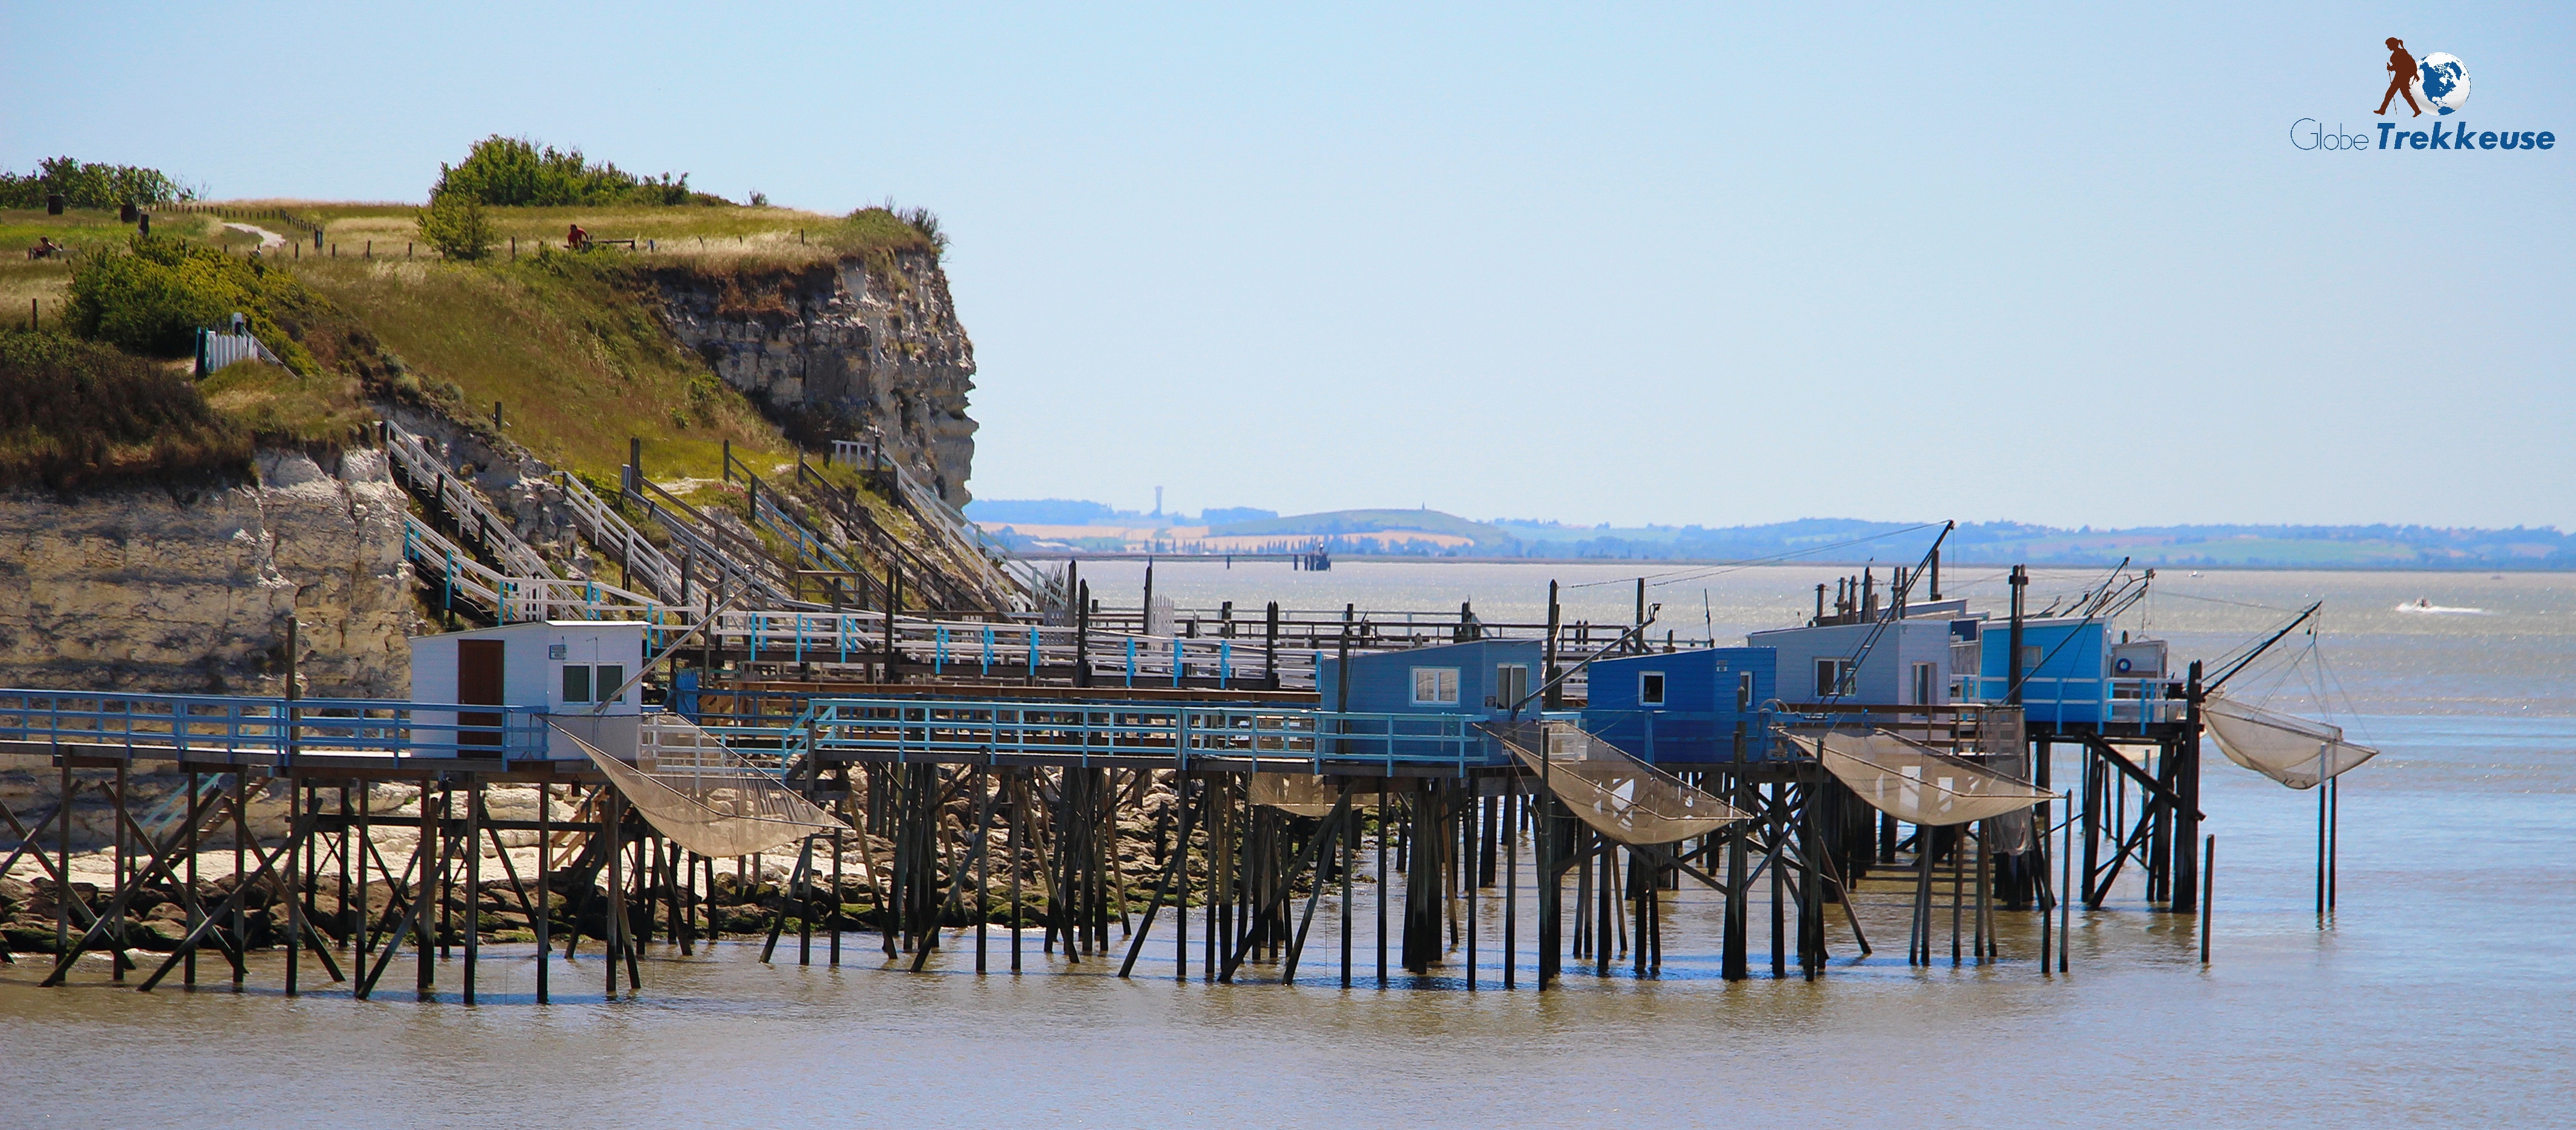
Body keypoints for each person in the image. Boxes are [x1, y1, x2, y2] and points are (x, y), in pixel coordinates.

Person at [2376, 37, 2422, 117]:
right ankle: (2417, 110)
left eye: (2388, 45)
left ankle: (2382, 110)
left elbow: (2401, 65)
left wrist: (2391, 68)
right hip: (2401, 76)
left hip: (2402, 76)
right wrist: (2391, 68)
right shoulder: (2400, 52)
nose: (2388, 47)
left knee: (2391, 93)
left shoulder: (2400, 53)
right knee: (2404, 94)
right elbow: (2399, 66)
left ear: (2393, 45)